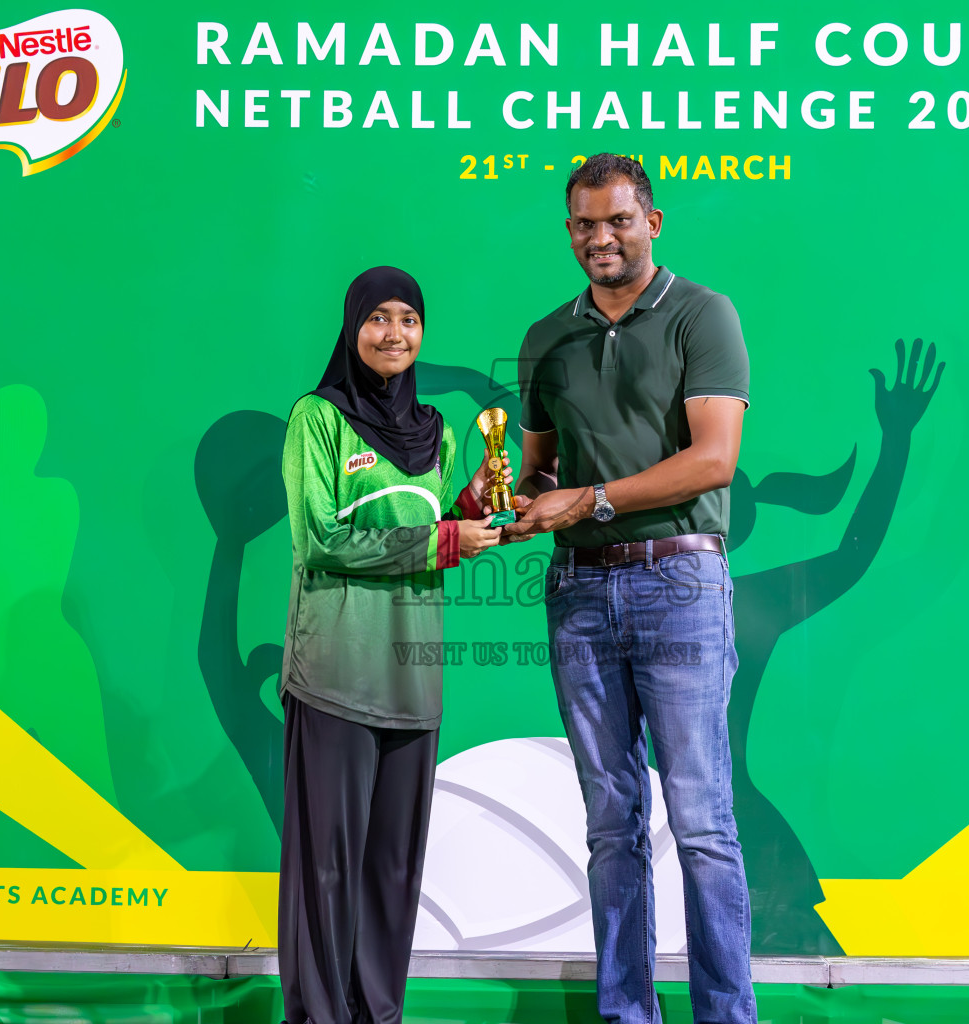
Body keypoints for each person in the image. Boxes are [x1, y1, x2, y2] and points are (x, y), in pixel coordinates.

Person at [503, 155, 755, 1024]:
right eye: (582, 223)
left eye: (616, 221)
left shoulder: (701, 314)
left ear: (653, 222)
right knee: (611, 825)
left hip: (679, 578)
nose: (599, 238)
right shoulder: (547, 336)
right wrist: (510, 499)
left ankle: (726, 1014)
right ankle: (626, 1014)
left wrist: (594, 498)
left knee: (702, 824)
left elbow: (714, 459)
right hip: (578, 591)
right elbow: (536, 473)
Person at [278, 266, 505, 1024]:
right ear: (351, 328)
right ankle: (317, 1016)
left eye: (409, 318)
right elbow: (320, 539)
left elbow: (438, 518)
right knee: (326, 867)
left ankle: (378, 1013)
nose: (394, 333)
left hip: (413, 681)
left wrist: (484, 501)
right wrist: (442, 539)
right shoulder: (317, 418)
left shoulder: (436, 430)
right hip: (336, 672)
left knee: (393, 869)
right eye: (378, 318)